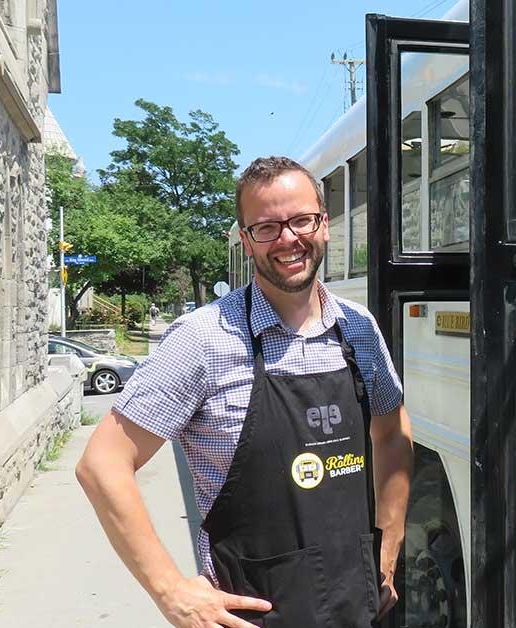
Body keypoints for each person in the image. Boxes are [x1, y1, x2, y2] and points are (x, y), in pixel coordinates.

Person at [76, 156, 413, 628]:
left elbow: (393, 434)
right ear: (245, 239)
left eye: (301, 220)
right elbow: (102, 465)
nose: (288, 239)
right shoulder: (202, 339)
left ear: (324, 224)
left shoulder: (359, 331)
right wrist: (172, 592)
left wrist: (390, 545)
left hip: (358, 608)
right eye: (266, 227)